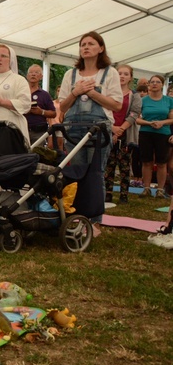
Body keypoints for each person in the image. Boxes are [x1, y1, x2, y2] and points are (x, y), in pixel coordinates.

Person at [59, 31, 122, 237]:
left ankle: (95, 222)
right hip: (74, 128)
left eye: (90, 44)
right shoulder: (71, 74)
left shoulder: (109, 73)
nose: (85, 47)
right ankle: (77, 217)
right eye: (82, 44)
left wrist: (92, 92)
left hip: (99, 129)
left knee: (96, 174)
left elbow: (117, 104)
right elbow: (63, 105)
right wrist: (76, 92)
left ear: (100, 48)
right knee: (76, 174)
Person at [104, 64, 142, 204]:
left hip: (125, 134)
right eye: (119, 73)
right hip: (108, 132)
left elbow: (134, 114)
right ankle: (107, 192)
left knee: (125, 165)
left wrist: (120, 130)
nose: (122, 76)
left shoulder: (135, 96)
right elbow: (104, 112)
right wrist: (112, 128)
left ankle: (124, 194)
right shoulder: (108, 93)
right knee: (108, 164)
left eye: (126, 74)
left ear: (131, 77)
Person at [136, 74, 173, 198]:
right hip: (146, 132)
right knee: (146, 161)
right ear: (149, 84)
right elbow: (136, 119)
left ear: (162, 84)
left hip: (163, 133)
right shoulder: (143, 100)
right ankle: (146, 188)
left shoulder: (169, 100)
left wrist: (161, 123)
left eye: (157, 82)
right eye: (152, 82)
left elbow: (172, 119)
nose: (155, 84)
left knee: (162, 162)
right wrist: (149, 123)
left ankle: (160, 190)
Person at [25, 64, 57, 146]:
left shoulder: (45, 94)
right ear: (27, 76)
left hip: (38, 132)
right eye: (31, 72)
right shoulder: (20, 92)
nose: (33, 74)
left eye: (36, 72)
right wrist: (24, 111)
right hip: (21, 130)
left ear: (41, 76)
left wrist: (41, 112)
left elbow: (53, 113)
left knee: (37, 156)